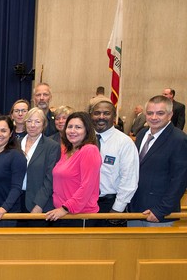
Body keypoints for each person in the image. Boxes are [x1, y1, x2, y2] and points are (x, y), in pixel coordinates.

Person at [128, 95, 187, 227]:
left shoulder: (179, 139)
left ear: (170, 115)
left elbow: (180, 179)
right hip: (135, 209)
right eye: (150, 113)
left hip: (159, 214)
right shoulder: (142, 134)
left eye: (160, 113)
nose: (154, 117)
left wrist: (161, 210)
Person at [45, 112, 102, 226]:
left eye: (78, 127)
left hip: (80, 216)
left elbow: (87, 186)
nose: (72, 131)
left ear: (87, 130)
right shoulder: (67, 151)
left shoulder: (89, 150)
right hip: (62, 214)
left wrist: (65, 208)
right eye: (69, 127)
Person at [90, 97, 139, 227]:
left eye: (106, 113)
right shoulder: (84, 139)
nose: (101, 117)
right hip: (85, 205)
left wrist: (117, 209)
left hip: (110, 205)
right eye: (97, 113)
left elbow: (129, 180)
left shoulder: (124, 142)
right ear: (91, 116)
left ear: (114, 116)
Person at [18, 108, 61, 227]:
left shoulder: (51, 146)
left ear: (43, 124)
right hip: (15, 202)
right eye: (29, 121)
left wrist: (38, 205)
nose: (32, 125)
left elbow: (50, 179)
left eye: (37, 121)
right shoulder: (16, 144)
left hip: (38, 202)